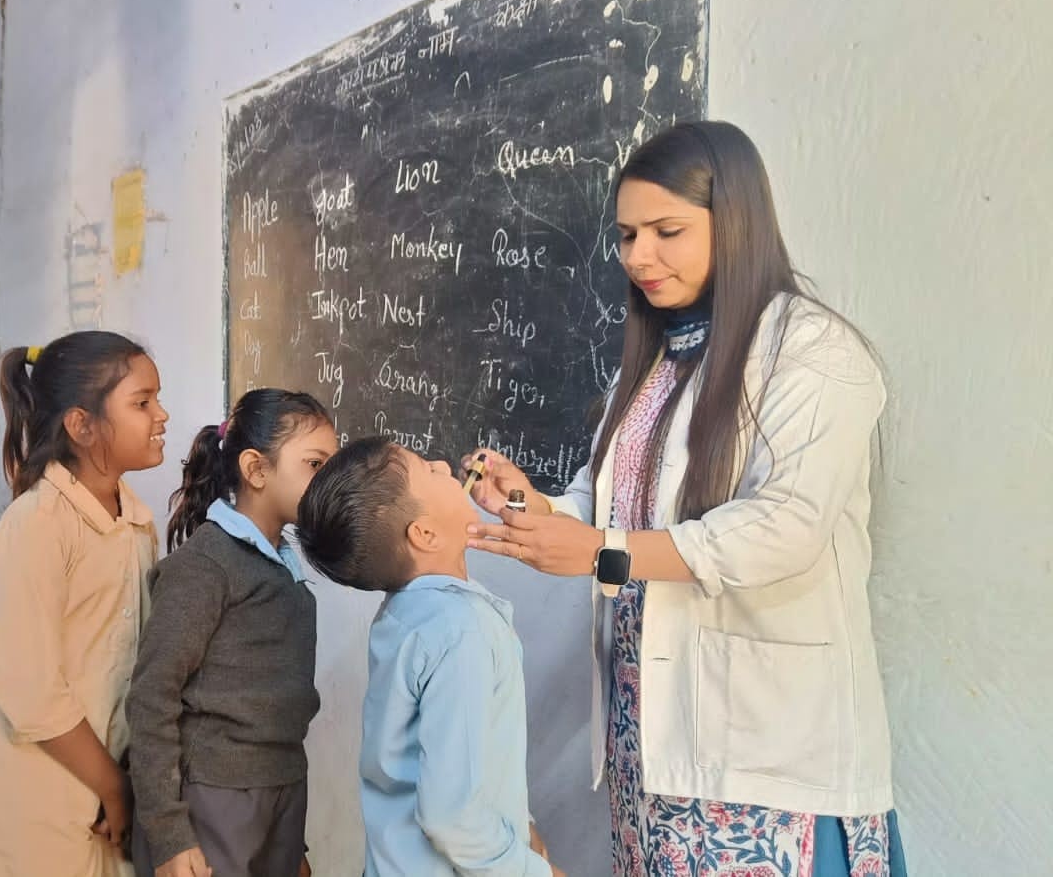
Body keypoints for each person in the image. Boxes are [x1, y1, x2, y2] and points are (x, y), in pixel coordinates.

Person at [464, 121, 906, 875]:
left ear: (734, 220)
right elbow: (610, 507)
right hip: (649, 732)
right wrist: (539, 508)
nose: (639, 256)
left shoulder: (814, 351)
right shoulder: (655, 363)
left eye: (666, 231)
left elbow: (786, 527)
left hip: (764, 742)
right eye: (628, 235)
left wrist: (604, 550)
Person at [297, 437, 560, 877]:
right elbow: (451, 816)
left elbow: (457, 762)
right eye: (428, 469)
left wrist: (521, 826)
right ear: (425, 534)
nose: (443, 464)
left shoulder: (406, 614)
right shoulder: (461, 629)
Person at [0, 331, 168, 877]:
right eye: (142, 402)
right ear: (81, 426)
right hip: (45, 798)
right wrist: (111, 783)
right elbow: (30, 691)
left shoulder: (137, 521)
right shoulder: (36, 526)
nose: (162, 415)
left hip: (109, 795)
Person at [128, 389, 337, 877]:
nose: (330, 482)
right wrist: (169, 835)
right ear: (257, 469)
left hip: (280, 793)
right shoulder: (204, 567)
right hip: (211, 801)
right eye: (315, 465)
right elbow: (152, 699)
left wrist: (294, 844)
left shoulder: (284, 565)